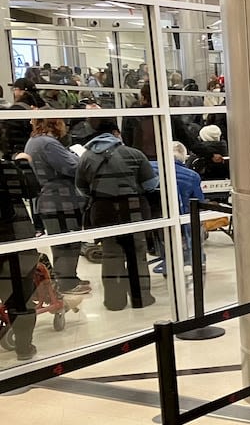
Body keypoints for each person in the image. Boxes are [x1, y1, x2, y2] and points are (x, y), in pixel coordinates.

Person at [75, 118, 158, 311]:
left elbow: (81, 189)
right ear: (116, 133)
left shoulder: (86, 157)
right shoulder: (134, 154)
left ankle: (114, 302)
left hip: (103, 211)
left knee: (111, 255)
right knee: (137, 254)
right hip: (134, 208)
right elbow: (150, 185)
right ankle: (141, 298)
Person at [23, 118, 89, 295]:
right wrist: (79, 157)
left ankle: (68, 278)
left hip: (48, 199)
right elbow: (71, 167)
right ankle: (67, 283)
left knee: (61, 243)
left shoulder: (33, 141)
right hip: (61, 199)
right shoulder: (48, 143)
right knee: (68, 243)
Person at [0, 147, 41, 360]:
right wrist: (24, 164)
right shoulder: (8, 168)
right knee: (21, 295)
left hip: (14, 239)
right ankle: (24, 347)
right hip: (16, 238)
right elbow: (32, 190)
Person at [149, 142, 205, 275]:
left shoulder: (150, 168)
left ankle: (168, 260)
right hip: (183, 218)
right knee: (197, 227)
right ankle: (197, 260)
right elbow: (199, 201)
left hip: (155, 216)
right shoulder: (192, 176)